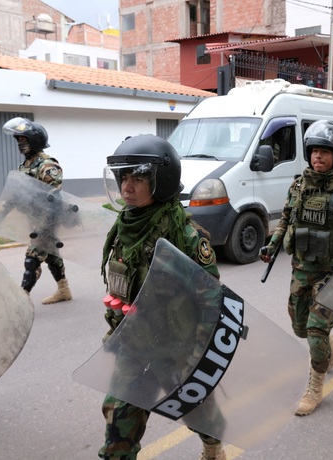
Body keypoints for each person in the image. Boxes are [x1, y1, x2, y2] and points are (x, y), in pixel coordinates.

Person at [100, 134, 226, 460]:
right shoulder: (123, 228)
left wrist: (198, 357)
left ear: (161, 180)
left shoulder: (185, 236)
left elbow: (212, 301)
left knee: (196, 413)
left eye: (138, 178)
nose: (127, 187)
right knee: (117, 422)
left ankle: (213, 444)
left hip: (176, 349)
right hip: (135, 345)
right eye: (123, 177)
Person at [259, 120, 333, 416]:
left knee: (315, 329)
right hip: (302, 268)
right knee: (300, 326)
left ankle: (315, 386)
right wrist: (273, 243)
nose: (319, 157)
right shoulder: (298, 185)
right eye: (314, 151)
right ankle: (330, 343)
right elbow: (286, 218)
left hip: (332, 273)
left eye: (325, 152)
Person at [2, 117, 72, 304]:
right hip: (33, 219)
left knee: (32, 258)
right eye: (17, 140)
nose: (19, 144)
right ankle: (64, 290)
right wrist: (0, 215)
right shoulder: (24, 166)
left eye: (23, 140)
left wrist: (44, 227)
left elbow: (54, 198)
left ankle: (21, 299)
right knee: (51, 256)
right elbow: (16, 195)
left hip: (47, 220)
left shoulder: (47, 165)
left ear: (35, 140)